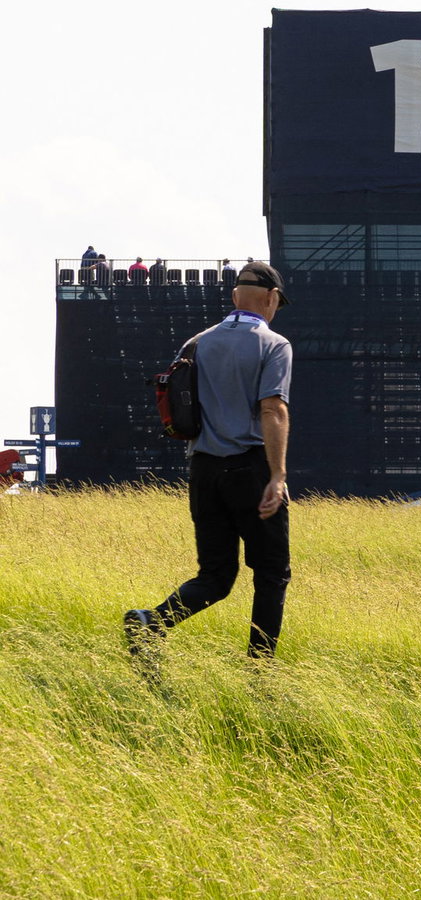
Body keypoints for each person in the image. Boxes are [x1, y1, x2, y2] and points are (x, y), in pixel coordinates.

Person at [123, 262, 294, 667]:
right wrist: (277, 475)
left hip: (203, 471)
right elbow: (273, 409)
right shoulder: (274, 345)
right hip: (250, 469)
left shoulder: (195, 344)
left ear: (235, 297)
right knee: (271, 573)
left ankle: (152, 622)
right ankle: (260, 670)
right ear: (271, 299)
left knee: (215, 577)